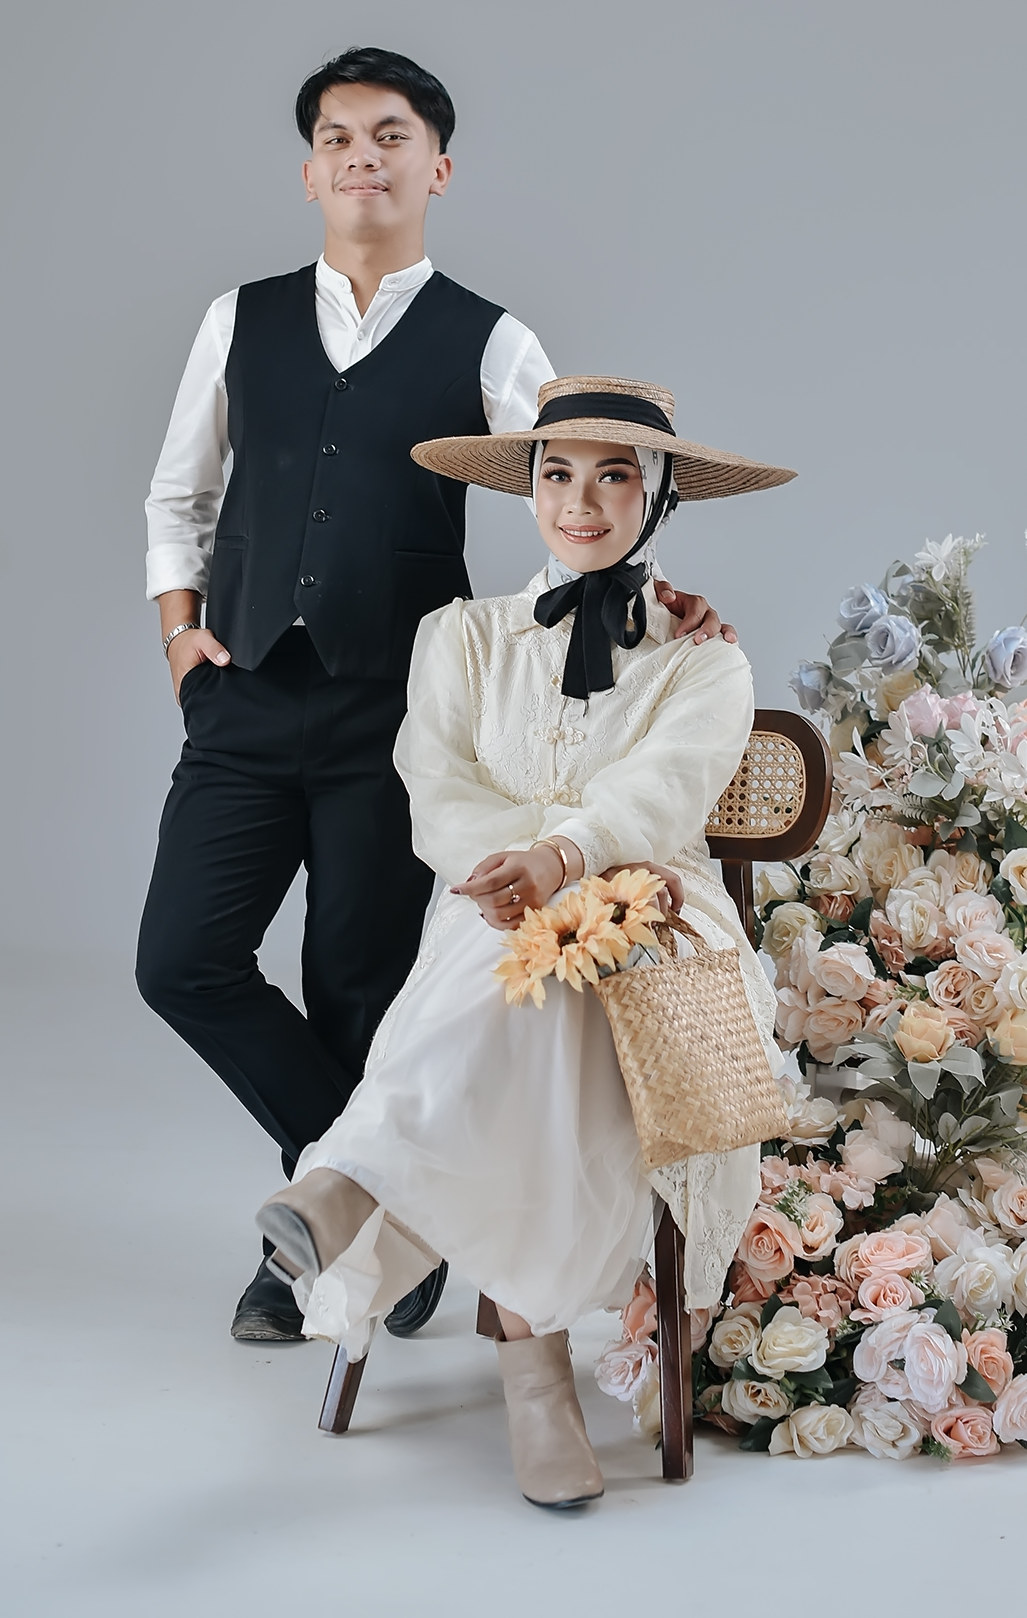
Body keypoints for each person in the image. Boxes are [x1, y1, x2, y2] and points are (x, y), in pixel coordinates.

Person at [136, 49, 733, 1344]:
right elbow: (179, 493)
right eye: (338, 137)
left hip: (394, 716)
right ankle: (386, 1206)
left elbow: (584, 485)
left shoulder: (490, 336)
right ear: (310, 171)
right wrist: (182, 638)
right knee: (181, 959)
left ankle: (325, 1246)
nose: (364, 155)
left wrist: (651, 594)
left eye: (391, 135)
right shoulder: (239, 319)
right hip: (243, 695)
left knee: (357, 981)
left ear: (437, 167)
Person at [254, 375, 795, 1508]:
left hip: (662, 911)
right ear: (531, 489)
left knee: (564, 963)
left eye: (614, 477)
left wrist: (566, 857)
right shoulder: (459, 636)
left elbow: (662, 793)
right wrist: (526, 872)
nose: (579, 504)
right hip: (489, 905)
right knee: (528, 966)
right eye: (557, 474)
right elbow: (434, 789)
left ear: (659, 497)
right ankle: (529, 1367)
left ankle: (353, 1188)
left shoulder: (706, 659)